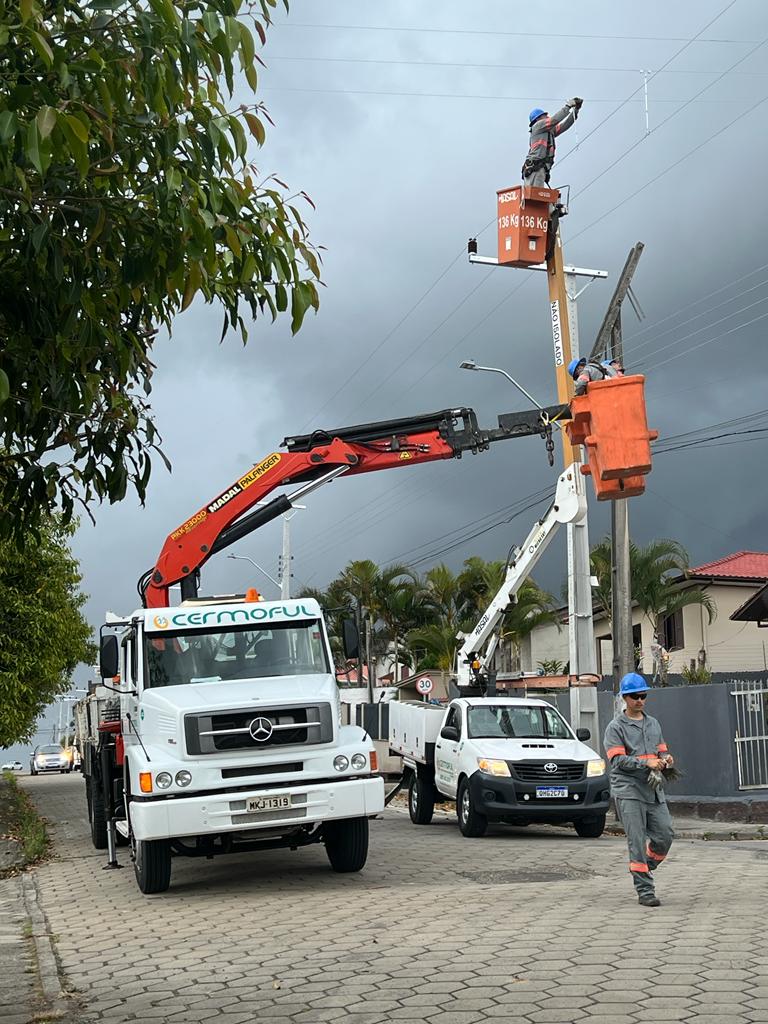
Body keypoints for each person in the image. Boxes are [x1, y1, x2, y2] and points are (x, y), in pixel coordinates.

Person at [603, 673, 675, 907]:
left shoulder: (653, 723)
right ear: (625, 697)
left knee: (665, 835)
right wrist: (646, 763)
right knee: (636, 841)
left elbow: (661, 750)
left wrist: (666, 759)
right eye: (635, 696)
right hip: (628, 790)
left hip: (653, 789)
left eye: (643, 695)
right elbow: (617, 761)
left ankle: (643, 867)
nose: (640, 700)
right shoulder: (615, 728)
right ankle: (645, 890)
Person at [522, 98, 583, 186]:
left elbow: (565, 125)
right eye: (544, 116)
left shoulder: (549, 131)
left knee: (538, 196)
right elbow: (554, 120)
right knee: (535, 196)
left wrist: (576, 110)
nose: (547, 117)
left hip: (541, 168)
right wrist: (568, 106)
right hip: (534, 168)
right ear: (538, 119)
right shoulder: (538, 126)